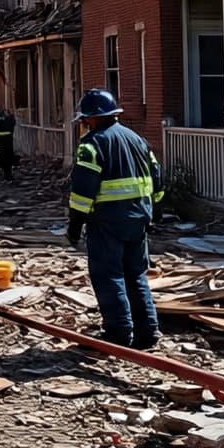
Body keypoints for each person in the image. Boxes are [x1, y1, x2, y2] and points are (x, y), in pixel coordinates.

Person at [67, 88, 165, 349]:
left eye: (85, 119)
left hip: (107, 221)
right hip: (139, 219)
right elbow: (157, 178)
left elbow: (83, 189)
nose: (84, 124)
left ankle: (118, 332)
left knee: (108, 275)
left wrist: (75, 225)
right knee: (136, 275)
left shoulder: (92, 144)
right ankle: (148, 331)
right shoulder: (137, 139)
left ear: (93, 118)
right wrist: (154, 210)